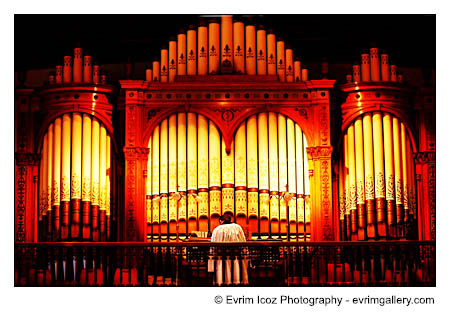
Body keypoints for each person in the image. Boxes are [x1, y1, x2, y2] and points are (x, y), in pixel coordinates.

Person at [209, 214, 248, 285]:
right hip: (236, 257)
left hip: (221, 257)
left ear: (221, 221)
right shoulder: (237, 227)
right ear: (230, 220)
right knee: (236, 273)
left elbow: (213, 246)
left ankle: (222, 283)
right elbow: (243, 242)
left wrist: (211, 263)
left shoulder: (217, 230)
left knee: (222, 275)